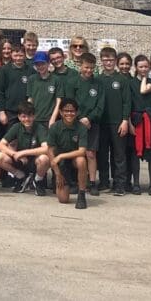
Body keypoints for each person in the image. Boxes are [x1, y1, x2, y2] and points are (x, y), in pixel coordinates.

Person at [0, 101, 50, 195]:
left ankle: (38, 181)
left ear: (34, 116)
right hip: (20, 161)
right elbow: (0, 145)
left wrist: (24, 153)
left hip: (35, 161)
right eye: (24, 116)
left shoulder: (40, 128)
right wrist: (14, 154)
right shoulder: (16, 127)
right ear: (19, 117)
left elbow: (46, 149)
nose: (27, 119)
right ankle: (20, 176)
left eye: (30, 116)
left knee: (45, 158)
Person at [96, 47, 131, 196]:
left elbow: (127, 102)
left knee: (119, 154)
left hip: (117, 122)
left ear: (115, 61)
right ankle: (104, 182)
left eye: (111, 60)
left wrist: (124, 120)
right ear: (101, 61)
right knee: (102, 154)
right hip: (101, 123)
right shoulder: (97, 79)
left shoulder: (122, 79)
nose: (108, 62)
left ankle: (119, 184)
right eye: (105, 60)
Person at [69, 52, 104, 195]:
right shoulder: (73, 82)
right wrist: (79, 119)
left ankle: (93, 182)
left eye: (91, 68)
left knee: (90, 154)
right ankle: (77, 182)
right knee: (77, 154)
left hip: (92, 123)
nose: (89, 70)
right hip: (75, 123)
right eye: (86, 67)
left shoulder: (98, 84)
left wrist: (89, 119)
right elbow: (70, 104)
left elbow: (100, 106)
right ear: (80, 66)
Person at [46, 99, 89, 209]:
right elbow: (50, 151)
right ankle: (67, 184)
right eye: (66, 111)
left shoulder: (82, 128)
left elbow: (82, 151)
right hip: (62, 165)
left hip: (73, 160)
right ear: (60, 112)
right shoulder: (55, 127)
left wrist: (61, 156)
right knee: (63, 200)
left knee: (81, 160)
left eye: (72, 111)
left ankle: (81, 194)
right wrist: (57, 174)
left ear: (77, 112)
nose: (69, 113)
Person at [130, 54, 151, 195]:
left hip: (149, 119)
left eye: (146, 67)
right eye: (140, 67)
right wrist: (129, 123)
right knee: (135, 154)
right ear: (135, 67)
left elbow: (143, 90)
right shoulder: (130, 83)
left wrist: (145, 77)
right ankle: (136, 183)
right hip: (136, 120)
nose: (143, 69)